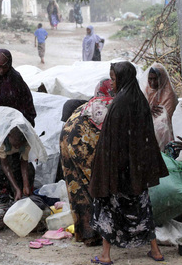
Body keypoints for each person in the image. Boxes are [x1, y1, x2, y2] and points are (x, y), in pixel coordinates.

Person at [89, 61, 168, 264]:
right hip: (136, 169)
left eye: (114, 79)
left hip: (119, 169)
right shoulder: (139, 99)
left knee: (108, 207)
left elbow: (112, 141)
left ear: (123, 78)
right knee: (142, 208)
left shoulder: (120, 103)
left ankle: (106, 255)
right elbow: (143, 137)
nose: (112, 84)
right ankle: (156, 251)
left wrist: (106, 170)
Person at [60, 80, 115, 247]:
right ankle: (106, 232)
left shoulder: (91, 103)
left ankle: (89, 235)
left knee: (78, 189)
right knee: (99, 187)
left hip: (66, 140)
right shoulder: (108, 104)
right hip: (82, 144)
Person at [0, 49, 36, 134]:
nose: (1, 71)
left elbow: (27, 103)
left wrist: (16, 120)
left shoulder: (16, 80)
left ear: (9, 64)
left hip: (14, 127)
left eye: (4, 67)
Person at [0, 127, 35, 201]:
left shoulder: (26, 141)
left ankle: (17, 197)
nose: (17, 147)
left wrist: (26, 185)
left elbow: (24, 162)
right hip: (0, 150)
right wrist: (17, 189)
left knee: (21, 171)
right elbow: (5, 166)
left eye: (20, 145)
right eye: (16, 145)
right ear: (9, 135)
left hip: (13, 148)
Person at [143, 63, 178, 150]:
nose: (152, 82)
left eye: (155, 79)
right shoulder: (147, 91)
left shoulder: (168, 95)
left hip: (164, 131)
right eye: (150, 79)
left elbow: (167, 119)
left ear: (162, 78)